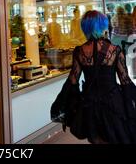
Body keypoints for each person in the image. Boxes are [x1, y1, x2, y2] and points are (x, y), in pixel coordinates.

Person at [51, 10, 136, 144]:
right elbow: (125, 80)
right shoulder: (115, 50)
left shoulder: (79, 51)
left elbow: (73, 80)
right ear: (102, 26)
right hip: (112, 104)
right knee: (112, 138)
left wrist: (65, 102)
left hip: (89, 104)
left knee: (96, 139)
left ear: (86, 28)